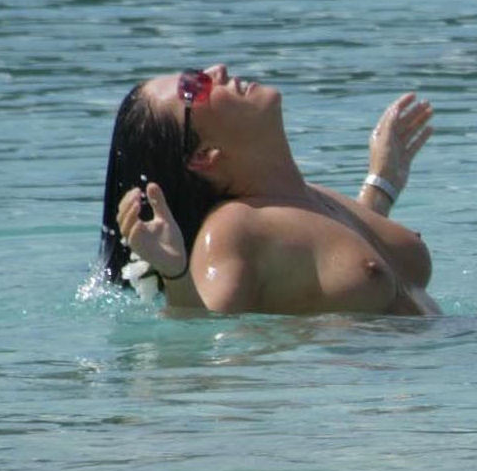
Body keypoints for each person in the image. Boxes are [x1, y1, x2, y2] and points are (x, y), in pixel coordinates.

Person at [98, 64, 442, 315]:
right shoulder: (231, 230)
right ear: (203, 154)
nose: (217, 70)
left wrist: (381, 181)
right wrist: (176, 276)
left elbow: (334, 261)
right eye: (194, 88)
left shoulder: (310, 198)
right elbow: (206, 339)